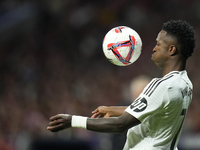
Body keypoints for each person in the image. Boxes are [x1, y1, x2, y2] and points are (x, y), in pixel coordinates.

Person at [47, 20, 195, 150]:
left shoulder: (161, 85)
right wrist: (113, 110)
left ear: (171, 49)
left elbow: (120, 125)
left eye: (158, 44)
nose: (154, 48)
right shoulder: (185, 84)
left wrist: (72, 120)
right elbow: (155, 109)